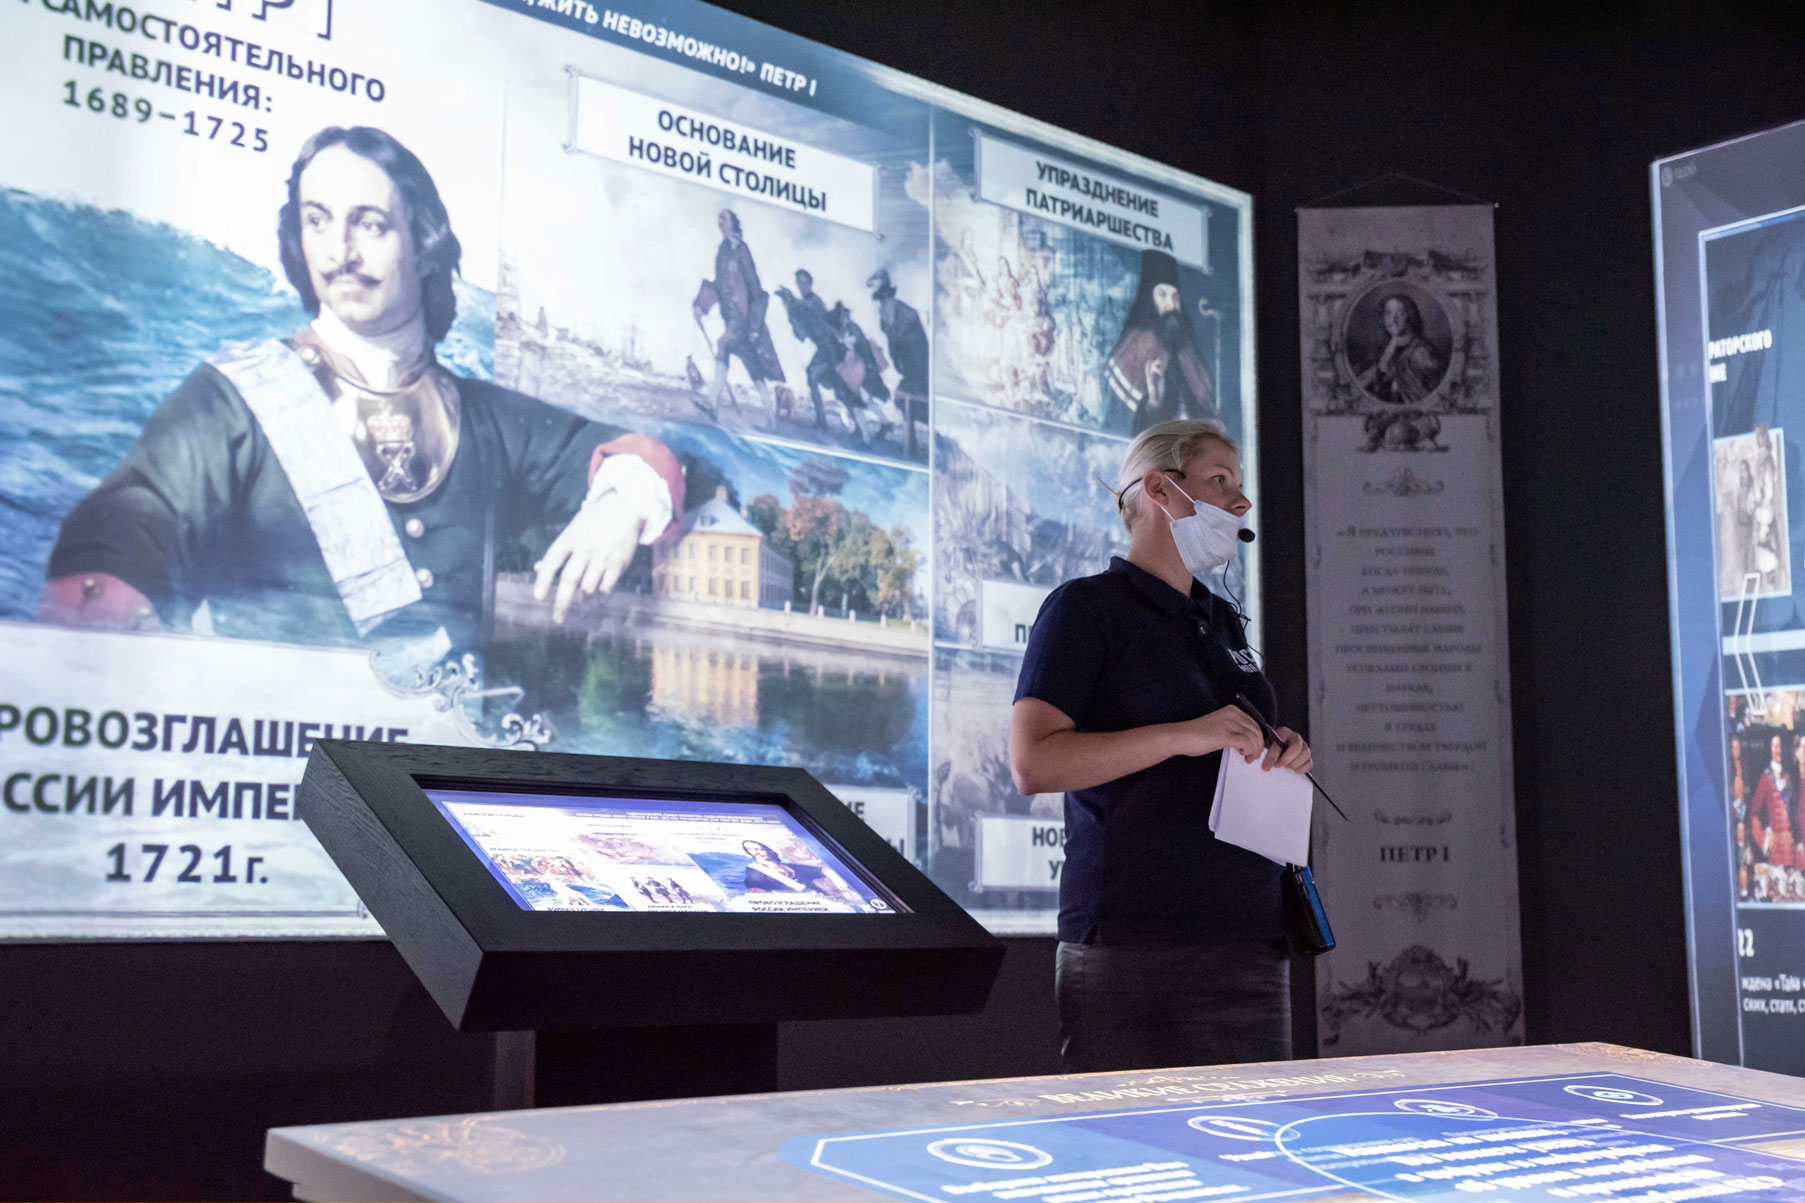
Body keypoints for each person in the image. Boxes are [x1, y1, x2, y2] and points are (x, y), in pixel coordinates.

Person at [41, 125, 683, 646]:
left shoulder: (487, 421)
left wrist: (618, 504)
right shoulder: (231, 400)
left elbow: (635, 457)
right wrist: (105, 604)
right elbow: (139, 515)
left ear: (423, 244)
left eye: (370, 224)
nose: (339, 252)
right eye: (317, 221)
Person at [1010, 419, 1311, 1073]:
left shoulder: (1222, 620)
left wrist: (1280, 749)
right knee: (1125, 1136)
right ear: (1158, 489)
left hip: (1249, 938)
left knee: (1257, 1136)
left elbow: (1228, 747)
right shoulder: (1085, 607)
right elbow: (1033, 763)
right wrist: (1183, 734)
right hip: (1132, 945)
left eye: (1239, 484)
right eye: (1220, 480)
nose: (1241, 502)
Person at [1107, 250, 1215, 435]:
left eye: (1175, 297)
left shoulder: (1189, 354)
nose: (1171, 305)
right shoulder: (1126, 357)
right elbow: (1122, 429)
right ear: (1149, 300)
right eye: (1162, 295)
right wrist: (1154, 402)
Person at [693, 209, 785, 422]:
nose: (720, 222)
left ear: (733, 222)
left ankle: (712, 404)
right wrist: (700, 306)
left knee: (723, 344)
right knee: (753, 366)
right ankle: (771, 418)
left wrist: (754, 327)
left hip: (743, 319)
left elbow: (756, 289)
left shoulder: (741, 249)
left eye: (724, 218)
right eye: (718, 219)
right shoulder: (722, 252)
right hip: (731, 318)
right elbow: (718, 286)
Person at [868, 268, 930, 459]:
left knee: (907, 400)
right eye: (880, 302)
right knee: (904, 402)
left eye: (882, 301)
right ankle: (911, 447)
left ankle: (912, 447)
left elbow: (917, 348)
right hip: (908, 369)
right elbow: (893, 342)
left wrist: (908, 368)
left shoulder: (906, 315)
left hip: (918, 369)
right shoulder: (887, 315)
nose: (881, 306)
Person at [1356, 293, 1445, 406]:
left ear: (1410, 316)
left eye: (1400, 312)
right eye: (1388, 313)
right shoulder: (1383, 349)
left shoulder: (1422, 352)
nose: (1393, 319)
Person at [1751, 733, 1796, 865]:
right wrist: (1764, 839)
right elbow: (1753, 813)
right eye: (1775, 746)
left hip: (1790, 845)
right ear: (1770, 749)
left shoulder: (1787, 777)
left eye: (1780, 746)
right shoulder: (1766, 778)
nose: (1778, 750)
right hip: (1775, 847)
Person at [740, 839, 824, 894]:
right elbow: (755, 888)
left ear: (770, 850)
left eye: (760, 849)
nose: (755, 852)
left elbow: (822, 870)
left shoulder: (791, 866)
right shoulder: (755, 870)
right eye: (749, 849)